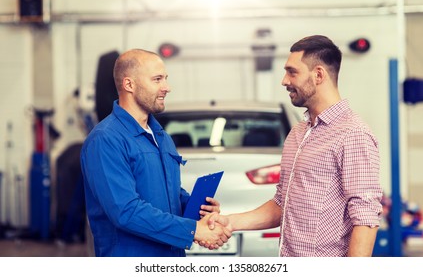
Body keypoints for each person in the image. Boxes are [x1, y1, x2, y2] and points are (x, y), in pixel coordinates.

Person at [208, 35, 383, 257]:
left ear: (318, 74)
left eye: (292, 72)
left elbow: (365, 217)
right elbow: (282, 204)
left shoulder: (353, 134)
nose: (284, 80)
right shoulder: (299, 133)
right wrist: (230, 222)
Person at [80, 48, 231, 257]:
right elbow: (125, 211)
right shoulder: (105, 140)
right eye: (157, 79)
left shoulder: (160, 135)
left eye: (166, 79)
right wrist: (194, 230)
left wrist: (197, 209)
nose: (167, 88)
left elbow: (170, 192)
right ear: (129, 84)